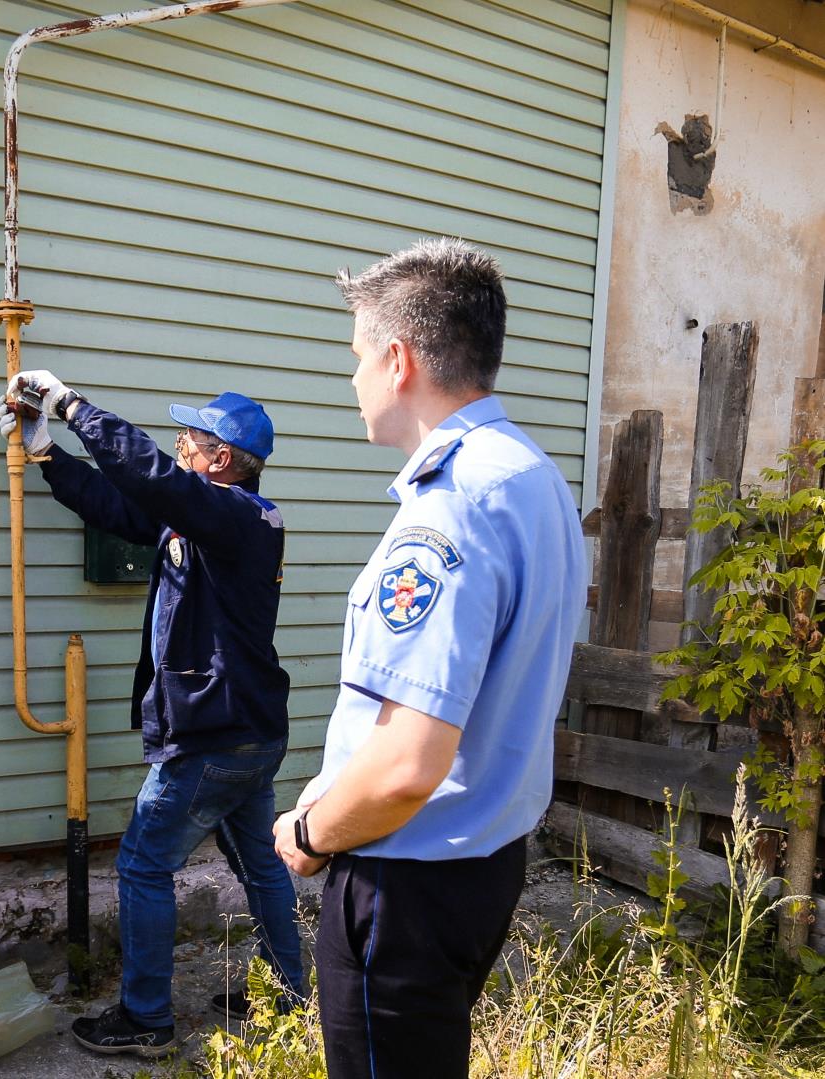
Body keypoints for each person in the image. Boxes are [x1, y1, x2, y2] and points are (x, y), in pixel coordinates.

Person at [272, 238, 587, 1078]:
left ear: (398, 359)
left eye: (356, 360)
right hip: (482, 861)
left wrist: (310, 831)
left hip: (405, 883)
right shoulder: (531, 476)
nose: (352, 382)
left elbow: (410, 767)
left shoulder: (447, 510)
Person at [0, 376, 304, 1059]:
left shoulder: (242, 517)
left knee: (141, 863)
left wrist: (71, 407)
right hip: (249, 731)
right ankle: (292, 998)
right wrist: (45, 451)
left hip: (212, 735)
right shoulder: (203, 517)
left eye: (193, 436)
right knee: (260, 865)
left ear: (221, 457)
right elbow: (119, 503)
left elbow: (155, 477)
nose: (182, 441)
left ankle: (146, 1019)